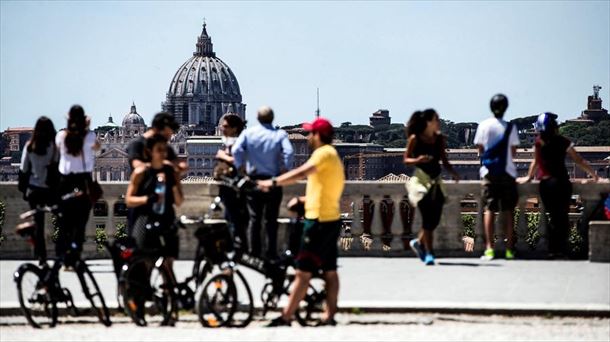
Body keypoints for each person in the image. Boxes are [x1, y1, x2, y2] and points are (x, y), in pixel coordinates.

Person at [258, 117, 344, 327]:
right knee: (330, 271)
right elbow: (326, 189)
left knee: (302, 271)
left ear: (318, 135)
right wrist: (304, 199)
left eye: (310, 133)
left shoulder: (323, 153)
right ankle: (329, 316)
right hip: (331, 218)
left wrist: (274, 182)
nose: (307, 137)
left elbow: (303, 172)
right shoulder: (333, 156)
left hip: (318, 221)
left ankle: (286, 316)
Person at [518, 113, 600, 258]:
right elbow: (579, 160)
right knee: (561, 217)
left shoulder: (539, 142)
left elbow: (535, 162)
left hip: (546, 184)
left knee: (555, 218)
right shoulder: (563, 141)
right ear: (555, 128)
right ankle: (559, 249)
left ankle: (554, 249)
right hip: (562, 183)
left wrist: (529, 177)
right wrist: (594, 175)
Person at [125, 134, 184, 325]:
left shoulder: (169, 171)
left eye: (165, 150)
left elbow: (179, 201)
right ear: (149, 152)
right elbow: (129, 199)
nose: (164, 154)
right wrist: (148, 199)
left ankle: (171, 310)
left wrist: (173, 181)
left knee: (167, 266)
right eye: (160, 150)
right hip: (146, 221)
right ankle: (139, 309)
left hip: (166, 220)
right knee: (145, 268)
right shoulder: (141, 172)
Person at [232, 106, 294, 260]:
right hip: (272, 181)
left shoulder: (248, 133)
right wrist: (284, 170)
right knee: (271, 219)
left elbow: (236, 151)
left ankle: (254, 253)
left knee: (255, 219)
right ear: (272, 118)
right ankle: (271, 252)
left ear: (257, 118)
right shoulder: (279, 135)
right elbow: (289, 152)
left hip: (253, 181)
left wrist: (241, 169)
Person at [403, 109, 460, 266]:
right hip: (420, 182)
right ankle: (429, 253)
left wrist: (454, 173)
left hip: (436, 182)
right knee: (428, 219)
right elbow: (406, 160)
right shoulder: (415, 139)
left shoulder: (439, 138)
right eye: (436, 119)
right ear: (428, 122)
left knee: (434, 221)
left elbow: (444, 159)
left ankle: (418, 243)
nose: (439, 122)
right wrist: (419, 159)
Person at [474, 94, 520, 261]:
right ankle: (509, 250)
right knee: (508, 211)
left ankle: (489, 249)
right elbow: (513, 153)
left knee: (489, 210)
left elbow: (480, 149)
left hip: (488, 173)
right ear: (506, 108)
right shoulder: (511, 127)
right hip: (507, 173)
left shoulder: (483, 126)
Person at [54, 105, 100, 262]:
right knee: (80, 223)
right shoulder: (89, 137)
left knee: (64, 222)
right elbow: (98, 148)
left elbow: (58, 149)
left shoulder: (61, 136)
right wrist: (86, 128)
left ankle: (63, 256)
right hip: (83, 182)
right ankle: (75, 255)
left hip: (64, 182)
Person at [126, 111, 185, 231]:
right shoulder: (136, 144)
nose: (170, 137)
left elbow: (176, 166)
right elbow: (137, 165)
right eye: (168, 133)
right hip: (143, 209)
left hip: (166, 209)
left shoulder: (166, 147)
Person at [19, 116, 58, 265]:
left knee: (38, 224)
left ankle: (41, 256)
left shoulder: (30, 146)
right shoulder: (54, 147)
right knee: (60, 220)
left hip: (34, 191)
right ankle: (61, 252)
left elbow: (23, 169)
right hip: (50, 190)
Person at [214, 113, 248, 250]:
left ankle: (238, 251)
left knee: (236, 222)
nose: (222, 128)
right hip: (228, 189)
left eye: (226, 126)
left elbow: (241, 163)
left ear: (235, 128)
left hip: (236, 191)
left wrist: (223, 156)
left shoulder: (239, 143)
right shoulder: (229, 142)